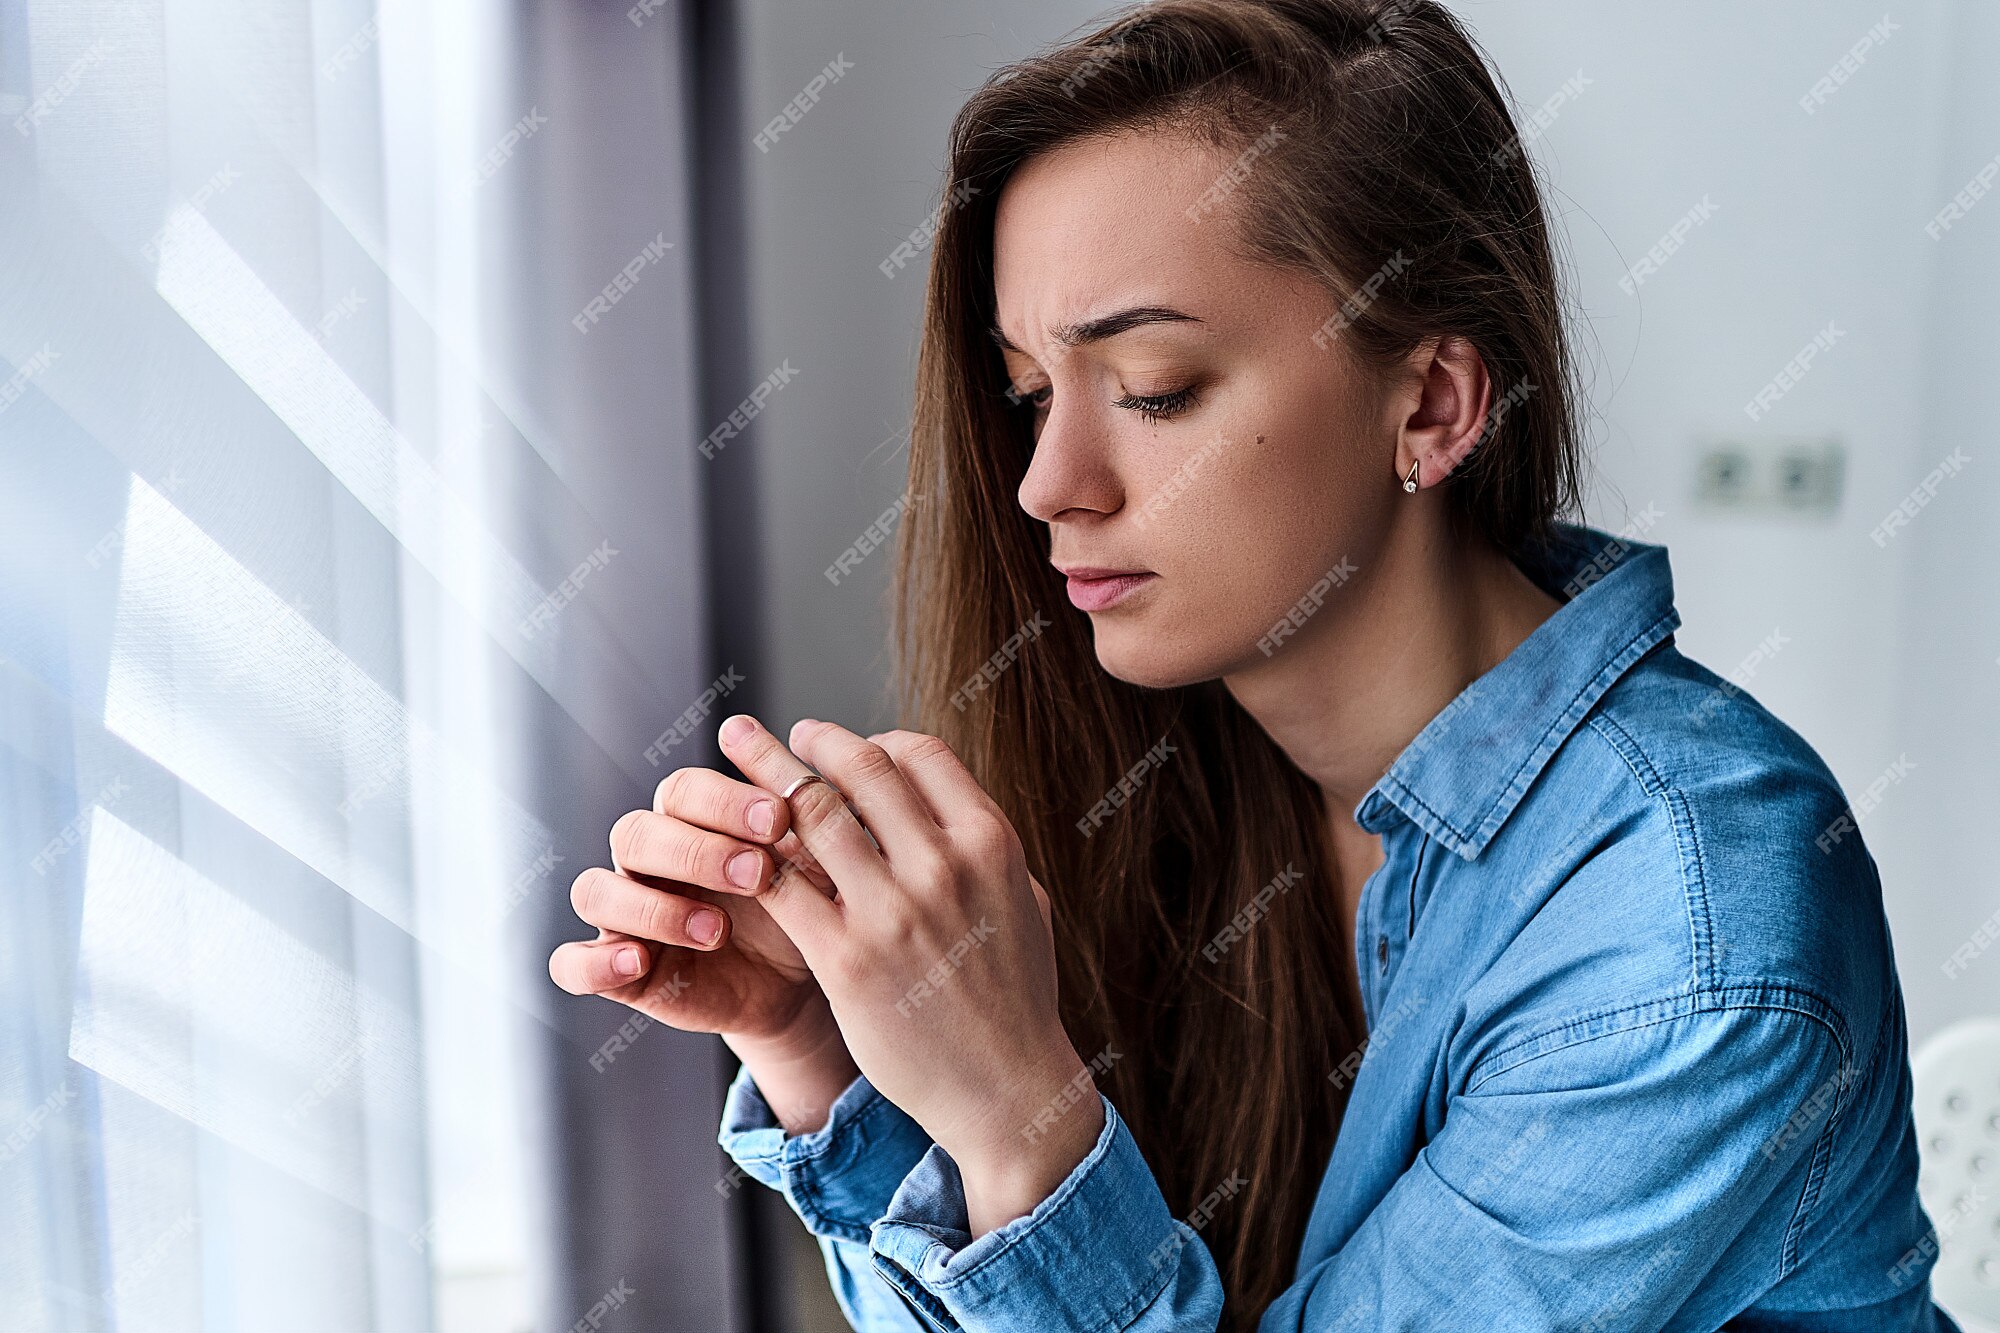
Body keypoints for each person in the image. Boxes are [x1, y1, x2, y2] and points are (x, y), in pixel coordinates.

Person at [549, 1, 1958, 1327]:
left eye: (1154, 389)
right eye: (1032, 394)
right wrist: (821, 1055)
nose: (1047, 483)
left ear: (1434, 402)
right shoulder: (1182, 786)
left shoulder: (1687, 915)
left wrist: (1022, 1121)